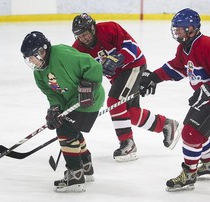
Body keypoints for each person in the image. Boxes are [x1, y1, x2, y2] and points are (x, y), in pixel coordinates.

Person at [71, 13, 181, 162]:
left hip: (133, 66)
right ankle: (167, 125)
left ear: (92, 28)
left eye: (85, 34)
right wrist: (85, 87)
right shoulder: (77, 49)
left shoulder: (109, 28)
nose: (83, 38)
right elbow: (80, 73)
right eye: (79, 36)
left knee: (114, 102)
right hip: (117, 77)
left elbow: (132, 47)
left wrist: (118, 59)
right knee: (128, 112)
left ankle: (127, 144)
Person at [139, 8, 210, 191]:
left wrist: (209, 89)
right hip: (205, 97)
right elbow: (177, 68)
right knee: (195, 131)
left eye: (181, 28)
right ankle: (209, 164)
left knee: (191, 134)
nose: (177, 32)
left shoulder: (208, 45)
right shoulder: (185, 47)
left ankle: (189, 175)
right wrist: (153, 77)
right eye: (176, 28)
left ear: (192, 28)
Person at [20, 31, 105, 192]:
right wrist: (55, 109)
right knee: (68, 127)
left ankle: (75, 174)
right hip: (70, 102)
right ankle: (85, 164)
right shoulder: (39, 73)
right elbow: (52, 94)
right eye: (28, 59)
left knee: (65, 129)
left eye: (33, 57)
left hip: (89, 99)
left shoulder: (62, 55)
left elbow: (93, 65)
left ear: (42, 51)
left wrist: (89, 85)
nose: (32, 61)